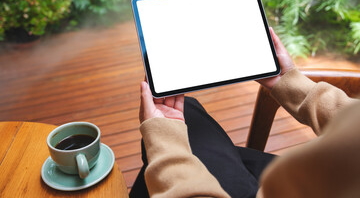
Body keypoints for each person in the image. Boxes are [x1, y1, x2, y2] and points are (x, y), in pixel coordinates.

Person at [129, 28, 360, 198]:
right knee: (185, 114)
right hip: (317, 179)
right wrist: (295, 87)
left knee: (174, 123)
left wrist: (165, 144)